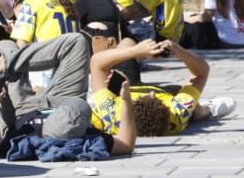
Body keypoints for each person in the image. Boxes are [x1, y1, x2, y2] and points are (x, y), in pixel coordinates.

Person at [88, 38, 233, 143]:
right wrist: (180, 52)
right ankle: (208, 109)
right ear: (166, 109)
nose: (151, 94)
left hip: (125, 88)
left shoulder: (112, 111)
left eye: (147, 97)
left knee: (127, 42)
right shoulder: (176, 111)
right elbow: (202, 72)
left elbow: (96, 62)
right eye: (154, 98)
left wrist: (136, 51)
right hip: (168, 94)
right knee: (194, 111)